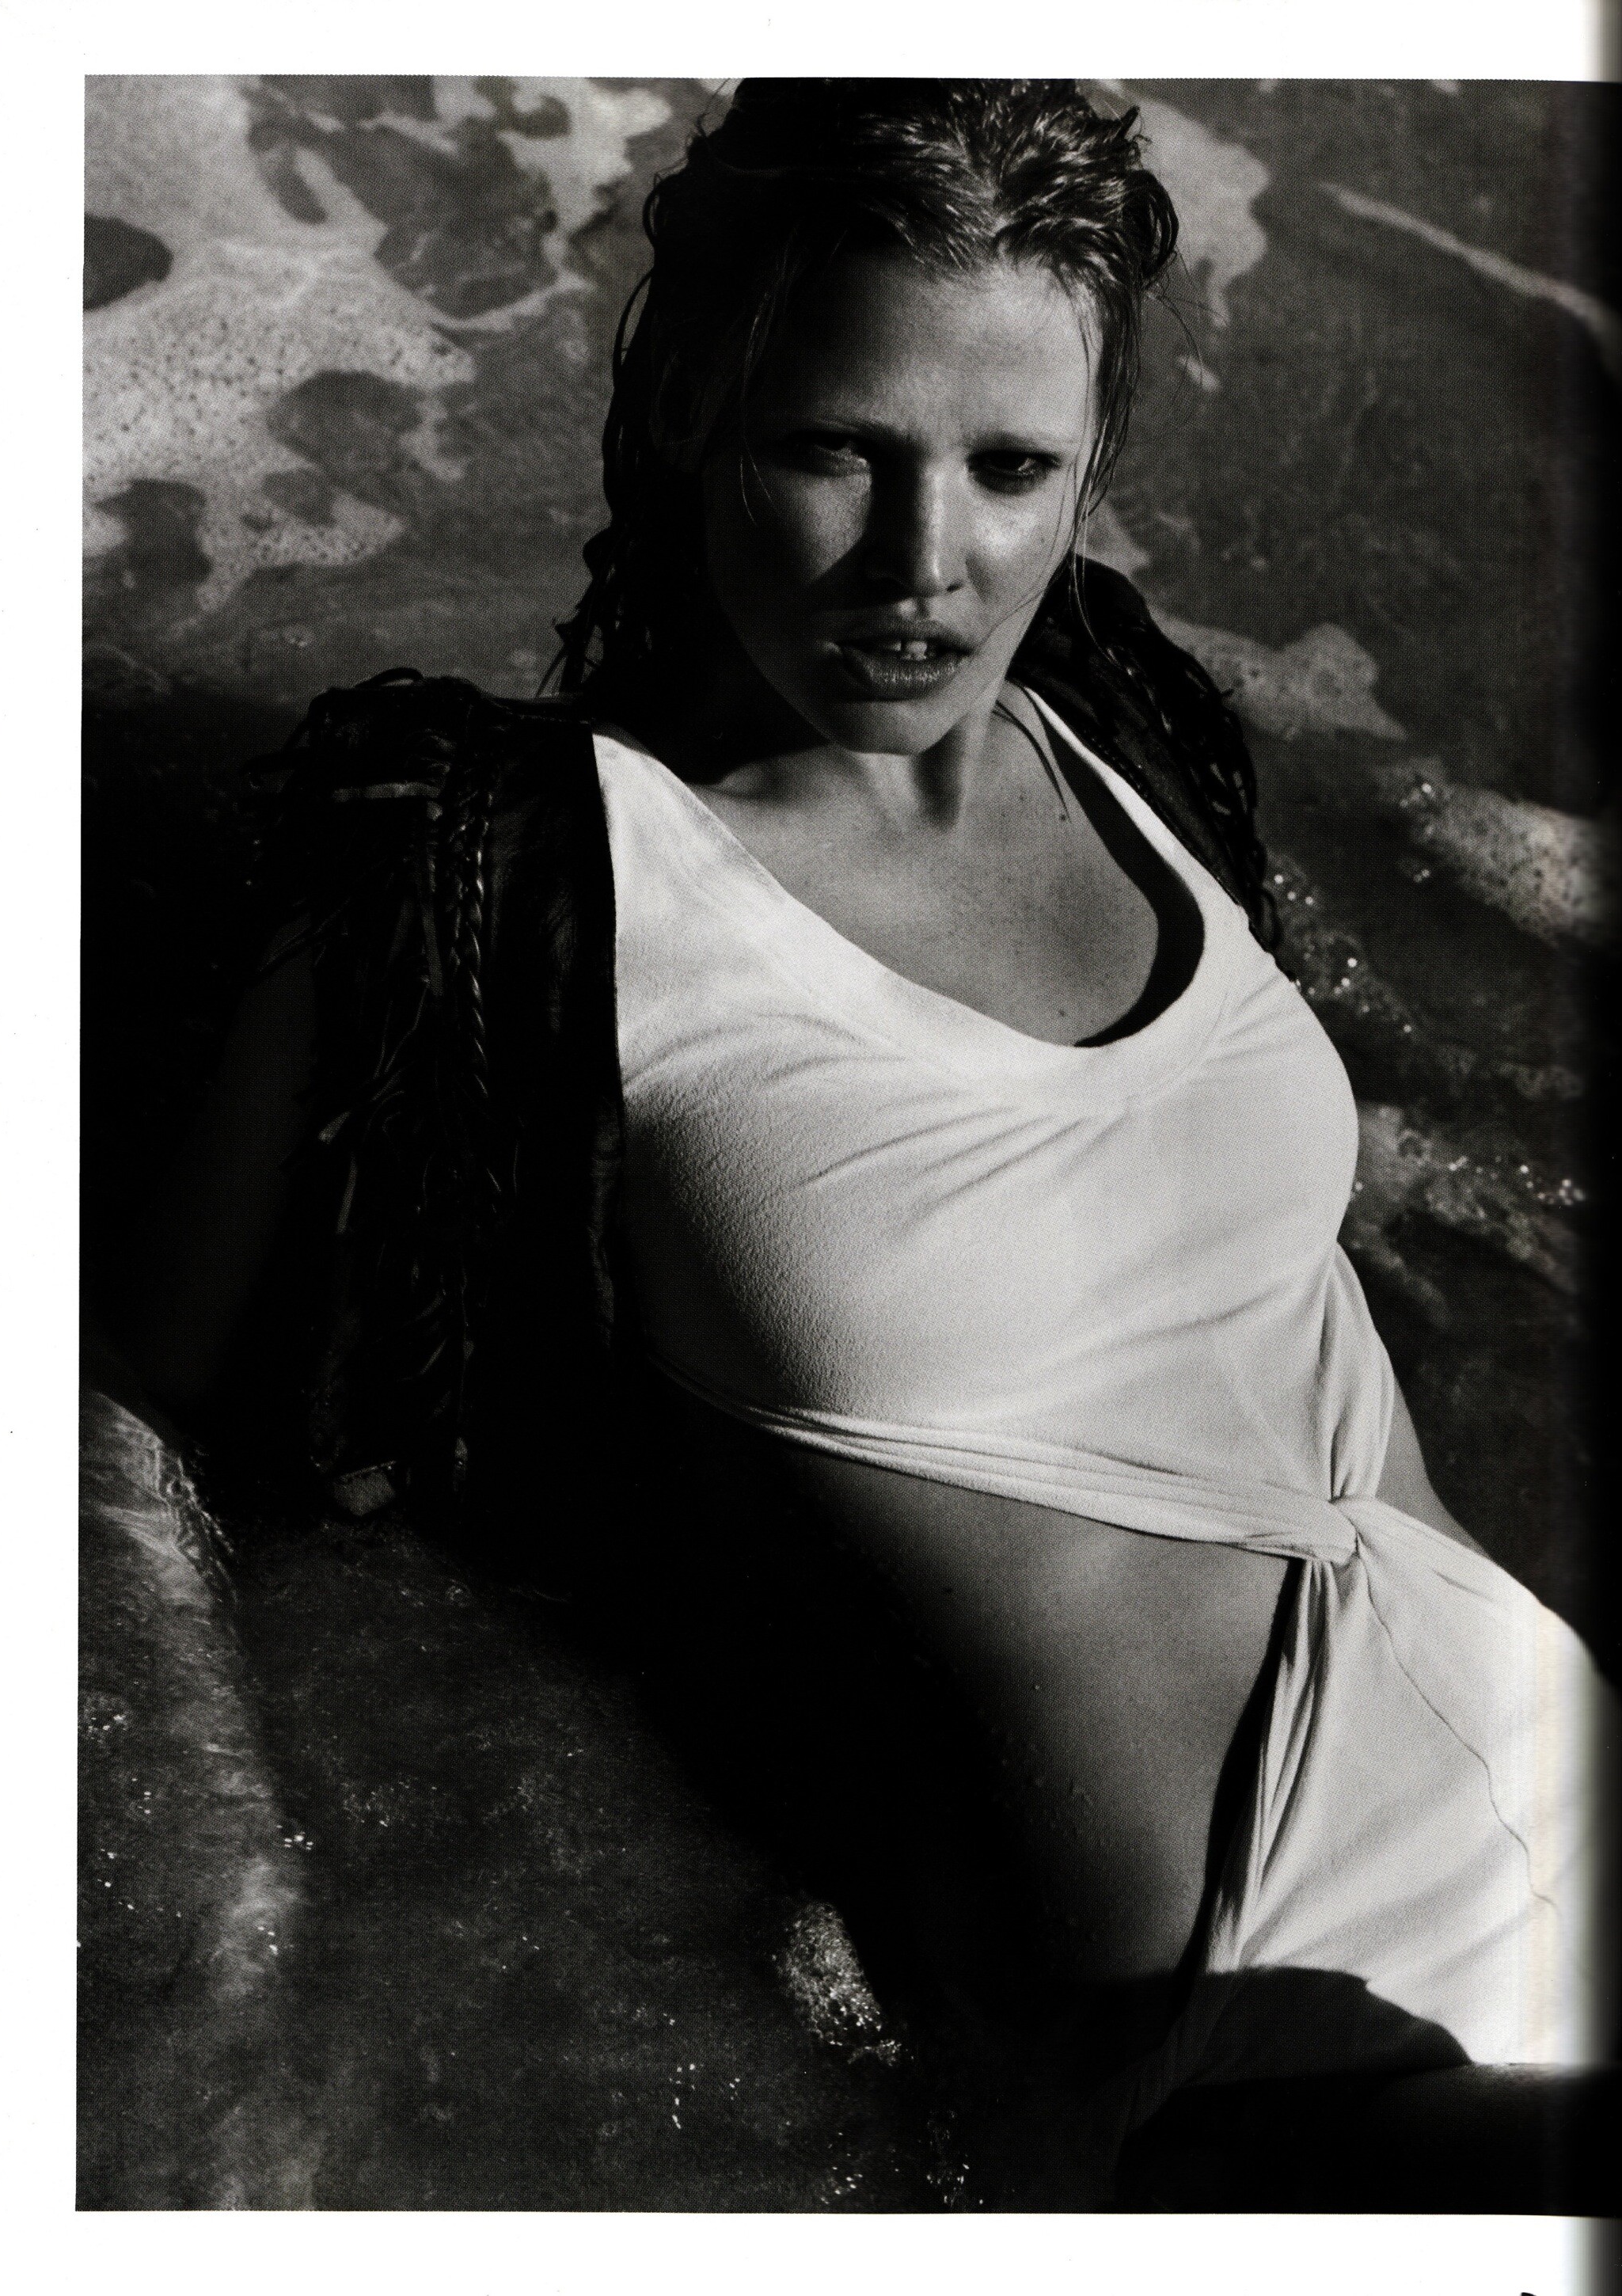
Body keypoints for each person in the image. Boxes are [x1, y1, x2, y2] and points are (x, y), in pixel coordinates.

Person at [104, 80, 1616, 2209]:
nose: (930, 565)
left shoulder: (1121, 733)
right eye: (839, 449)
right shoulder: (499, 878)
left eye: (1012, 468)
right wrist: (223, 1977)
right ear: (693, 413)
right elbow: (114, 1447)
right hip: (1259, 2060)